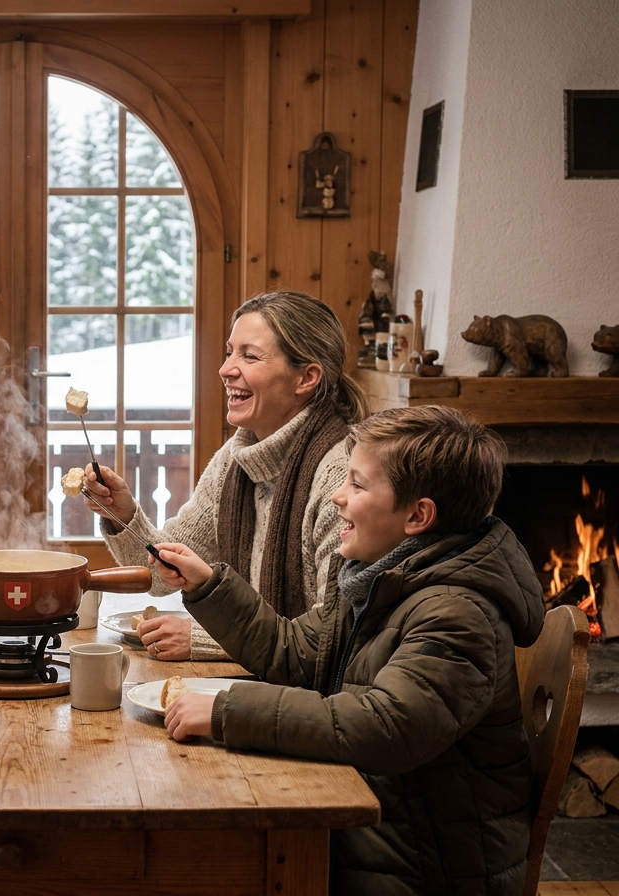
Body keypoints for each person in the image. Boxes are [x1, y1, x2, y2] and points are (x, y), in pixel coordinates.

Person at [156, 405, 544, 894]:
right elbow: (294, 651)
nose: (338, 497)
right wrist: (209, 586)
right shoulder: (380, 579)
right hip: (383, 828)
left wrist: (227, 711)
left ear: (418, 516)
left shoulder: (457, 614)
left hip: (425, 865)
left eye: (357, 485)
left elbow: (386, 724)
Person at [88, 290, 367, 661]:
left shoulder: (340, 476)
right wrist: (123, 517)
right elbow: (158, 576)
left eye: (249, 356)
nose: (226, 369)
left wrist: (208, 640)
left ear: (307, 377)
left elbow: (334, 636)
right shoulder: (236, 459)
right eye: (229, 351)